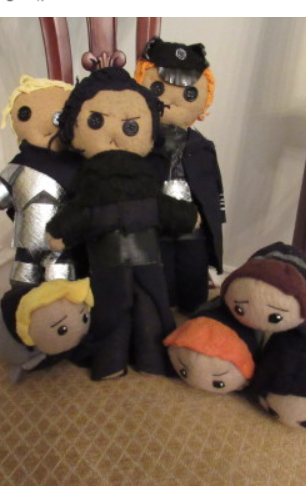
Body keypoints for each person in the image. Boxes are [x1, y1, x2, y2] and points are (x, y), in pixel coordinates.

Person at [45, 67, 199, 380]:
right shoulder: (90, 180)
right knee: (122, 308)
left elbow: (158, 206)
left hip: (132, 258)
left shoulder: (137, 179)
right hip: (116, 258)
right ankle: (130, 360)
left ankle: (131, 359)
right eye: (96, 121)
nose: (115, 133)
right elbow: (81, 212)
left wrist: (61, 230)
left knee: (135, 308)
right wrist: (186, 216)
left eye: (131, 126)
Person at [135, 38, 225, 313]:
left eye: (189, 94)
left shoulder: (202, 146)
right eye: (158, 88)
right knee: (158, 269)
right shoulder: (139, 144)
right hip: (155, 221)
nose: (171, 101)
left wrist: (216, 216)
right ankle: (160, 309)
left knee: (193, 267)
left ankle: (192, 307)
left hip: (194, 223)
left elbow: (213, 186)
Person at [0, 75, 83, 287]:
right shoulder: (75, 165)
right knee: (51, 288)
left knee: (40, 286)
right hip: (54, 246)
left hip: (46, 246)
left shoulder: (19, 166)